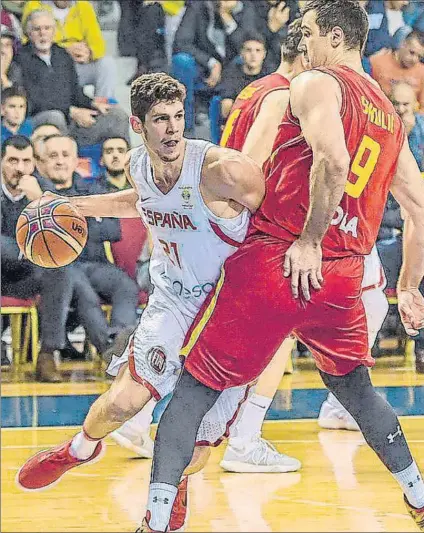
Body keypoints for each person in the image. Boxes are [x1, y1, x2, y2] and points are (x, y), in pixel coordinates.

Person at [110, 2, 424, 531]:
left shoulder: (316, 84)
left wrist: (308, 239)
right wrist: (409, 285)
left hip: (280, 258)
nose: (303, 38)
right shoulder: (390, 113)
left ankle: (158, 517)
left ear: (332, 35)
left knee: (194, 387)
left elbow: (333, 160)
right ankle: (417, 492)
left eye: (309, 30)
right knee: (355, 389)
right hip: (343, 275)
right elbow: (417, 206)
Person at [17, 73, 300, 532]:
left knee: (200, 447)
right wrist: (75, 206)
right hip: (173, 301)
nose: (171, 129)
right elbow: (142, 202)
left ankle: (178, 481)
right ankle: (79, 448)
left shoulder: (221, 170)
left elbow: (278, 216)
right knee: (123, 403)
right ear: (138, 125)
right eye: (159, 120)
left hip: (230, 311)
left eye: (177, 118)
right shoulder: (137, 166)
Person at [219, 19, 388, 476]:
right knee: (277, 333)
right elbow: (270, 166)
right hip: (273, 227)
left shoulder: (257, 91)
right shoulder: (293, 94)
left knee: (207, 332)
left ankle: (143, 415)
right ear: (306, 53)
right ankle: (245, 435)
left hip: (235, 221)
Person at [1, 135, 72, 382]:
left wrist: (38, 202)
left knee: (61, 269)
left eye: (25, 161)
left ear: (34, 164)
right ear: (1, 162)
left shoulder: (42, 190)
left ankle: (47, 354)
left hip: (23, 275)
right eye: (12, 160)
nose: (19, 168)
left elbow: (58, 241)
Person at [16, 9, 129, 146]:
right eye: (37, 29)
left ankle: (126, 163)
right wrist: (70, 111)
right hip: (42, 119)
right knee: (56, 116)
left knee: (117, 115)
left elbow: (76, 92)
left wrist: (93, 104)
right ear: (28, 33)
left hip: (71, 118)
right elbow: (33, 101)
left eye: (47, 28)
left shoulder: (62, 55)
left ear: (54, 31)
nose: (43, 33)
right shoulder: (21, 59)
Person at [22, 0, 117, 99]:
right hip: (51, 65)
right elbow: (27, 41)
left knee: (107, 64)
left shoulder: (84, 6)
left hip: (78, 64)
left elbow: (99, 45)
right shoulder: (33, 5)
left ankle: (104, 106)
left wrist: (87, 53)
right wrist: (64, 51)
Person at [219, 33, 269, 123]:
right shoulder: (231, 73)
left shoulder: (270, 75)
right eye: (249, 50)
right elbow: (226, 107)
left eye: (258, 50)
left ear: (264, 54)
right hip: (236, 123)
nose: (253, 55)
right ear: (241, 53)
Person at [369, 29, 424, 110]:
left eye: (420, 57)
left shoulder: (422, 71)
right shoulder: (376, 62)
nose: (415, 59)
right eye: (412, 52)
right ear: (403, 44)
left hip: (410, 118)